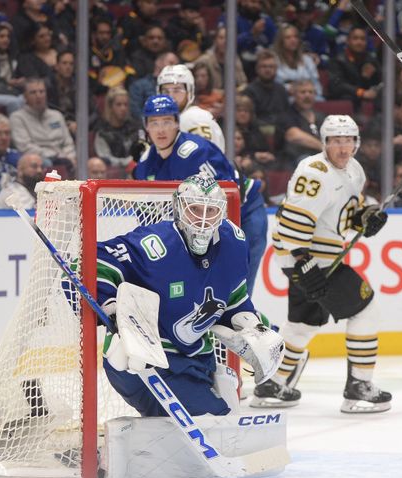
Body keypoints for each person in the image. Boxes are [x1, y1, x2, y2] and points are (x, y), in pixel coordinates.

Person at [92, 174, 281, 417]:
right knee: (213, 422)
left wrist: (252, 326)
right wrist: (112, 309)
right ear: (179, 209)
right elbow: (93, 261)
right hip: (147, 362)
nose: (203, 220)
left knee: (228, 412)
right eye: (194, 210)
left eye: (211, 211)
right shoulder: (155, 244)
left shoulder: (234, 242)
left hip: (196, 360)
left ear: (221, 212)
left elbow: (234, 298)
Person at [256, 115, 392, 414]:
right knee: (365, 307)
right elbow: (293, 221)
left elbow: (344, 214)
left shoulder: (354, 171)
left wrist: (366, 218)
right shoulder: (314, 172)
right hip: (308, 258)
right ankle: (359, 385)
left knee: (303, 325)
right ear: (325, 143)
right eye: (335, 141)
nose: (342, 148)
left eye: (347, 140)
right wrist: (303, 264)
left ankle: (273, 384)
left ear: (355, 142)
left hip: (320, 257)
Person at [135, 94, 268, 298]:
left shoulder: (195, 152)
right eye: (154, 123)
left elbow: (224, 199)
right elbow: (148, 215)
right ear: (146, 127)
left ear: (177, 124)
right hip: (203, 222)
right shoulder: (145, 164)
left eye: (167, 122)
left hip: (245, 213)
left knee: (235, 293)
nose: (161, 129)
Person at [10, 77, 76, 170]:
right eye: (33, 92)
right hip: (41, 160)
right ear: (25, 96)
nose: (38, 96)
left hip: (64, 158)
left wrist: (69, 156)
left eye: (41, 92)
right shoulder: (17, 118)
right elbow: (24, 147)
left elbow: (68, 143)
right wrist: (55, 155)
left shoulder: (57, 115)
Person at [156, 63, 225, 151]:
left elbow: (203, 159)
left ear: (189, 92)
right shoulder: (168, 121)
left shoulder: (195, 118)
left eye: (177, 90)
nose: (171, 96)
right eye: (165, 91)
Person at [93, 86, 139, 170]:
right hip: (111, 175)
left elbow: (142, 150)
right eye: (119, 104)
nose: (123, 108)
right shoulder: (102, 132)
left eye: (125, 104)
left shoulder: (135, 127)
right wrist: (127, 162)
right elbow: (105, 158)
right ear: (110, 107)